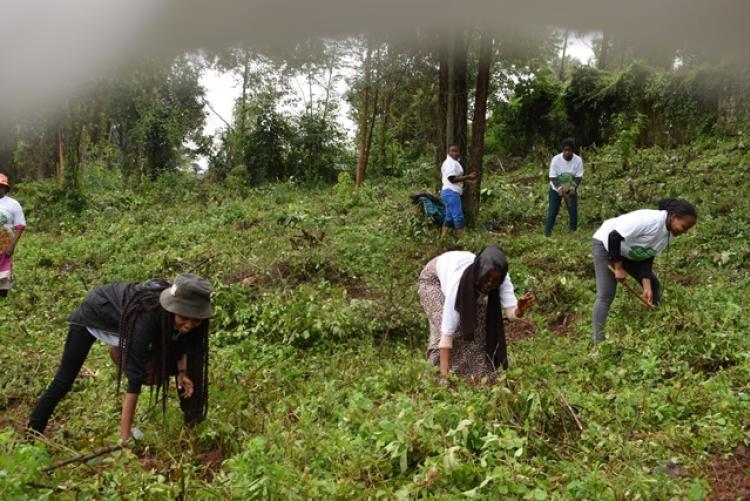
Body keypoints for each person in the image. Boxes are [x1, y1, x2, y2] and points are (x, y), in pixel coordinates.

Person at [28, 273, 213, 443]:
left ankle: (191, 426)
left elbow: (183, 345)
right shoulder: (147, 316)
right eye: (184, 318)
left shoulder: (177, 319)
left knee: (170, 365)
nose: (189, 325)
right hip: (96, 313)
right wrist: (124, 440)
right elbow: (135, 378)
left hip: (126, 322)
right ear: (172, 309)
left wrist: (182, 371)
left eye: (195, 320)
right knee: (64, 380)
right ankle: (33, 430)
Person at [419, 246, 534, 380]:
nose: (490, 283)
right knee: (451, 329)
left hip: (467, 282)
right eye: (487, 278)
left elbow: (511, 313)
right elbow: (446, 336)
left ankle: (475, 377)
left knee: (479, 331)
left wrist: (520, 310)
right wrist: (445, 380)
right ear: (480, 272)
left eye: (495, 280)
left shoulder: (501, 276)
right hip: (434, 281)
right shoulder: (457, 287)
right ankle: (437, 376)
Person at [591, 198, 697, 343]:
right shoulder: (649, 221)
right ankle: (598, 344)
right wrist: (619, 268)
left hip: (629, 250)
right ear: (673, 217)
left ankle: (657, 328)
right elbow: (613, 237)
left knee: (654, 285)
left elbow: (648, 254)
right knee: (606, 295)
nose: (684, 232)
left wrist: (646, 286)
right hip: (607, 244)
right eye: (684, 227)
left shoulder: (670, 233)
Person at [545, 138, 583, 237]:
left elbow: (579, 176)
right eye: (565, 150)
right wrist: (559, 188)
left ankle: (573, 233)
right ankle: (547, 234)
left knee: (573, 211)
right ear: (562, 150)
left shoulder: (578, 160)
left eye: (569, 150)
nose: (567, 152)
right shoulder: (556, 160)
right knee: (553, 211)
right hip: (555, 188)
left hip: (570, 188)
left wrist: (573, 187)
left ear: (573, 151)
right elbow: (552, 176)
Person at [440, 145, 478, 239]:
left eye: (457, 151)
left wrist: (466, 180)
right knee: (458, 216)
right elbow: (452, 179)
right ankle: (462, 241)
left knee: (449, 218)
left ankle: (443, 239)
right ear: (448, 153)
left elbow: (454, 178)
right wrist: (468, 177)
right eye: (453, 151)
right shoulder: (450, 163)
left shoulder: (454, 162)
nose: (455, 153)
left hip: (449, 192)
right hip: (451, 192)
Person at [0, 173, 26, 299]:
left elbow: (20, 226)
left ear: (5, 188)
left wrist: (12, 245)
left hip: (4, 242)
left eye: (1, 186)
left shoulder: (13, 204)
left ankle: (3, 294)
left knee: (4, 269)